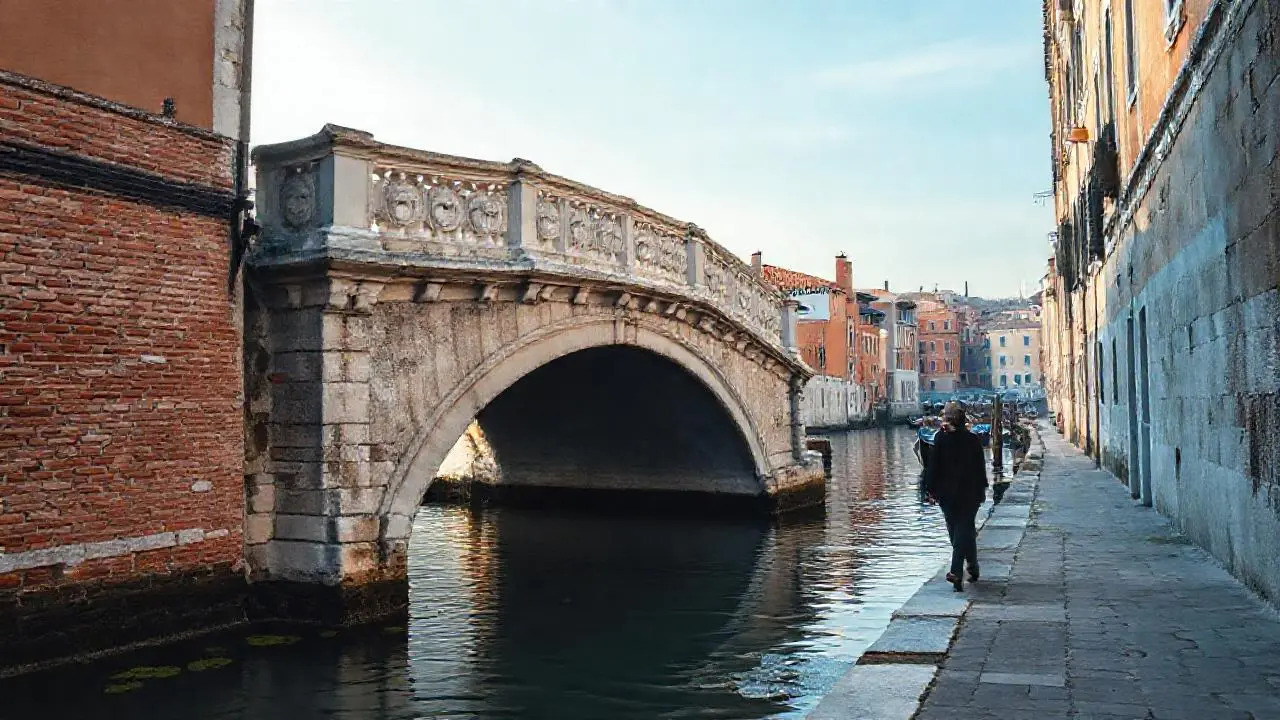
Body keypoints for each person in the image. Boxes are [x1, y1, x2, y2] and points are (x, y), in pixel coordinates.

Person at [924, 401, 989, 592]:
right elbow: (980, 468)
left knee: (958, 530)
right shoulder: (972, 440)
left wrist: (930, 490)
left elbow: (932, 467)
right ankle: (973, 566)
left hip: (951, 494)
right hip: (969, 493)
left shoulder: (942, 440)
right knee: (962, 530)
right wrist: (982, 490)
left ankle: (956, 572)